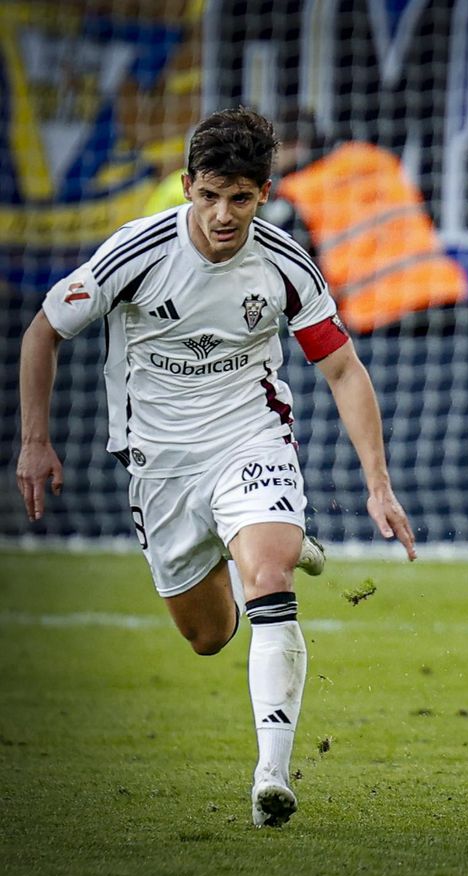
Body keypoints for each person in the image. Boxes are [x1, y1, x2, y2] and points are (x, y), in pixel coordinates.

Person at [15, 107, 417, 828]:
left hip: (249, 439)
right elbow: (43, 332)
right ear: (186, 187)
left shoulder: (286, 264)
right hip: (160, 464)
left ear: (264, 193)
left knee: (270, 579)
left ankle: (272, 776)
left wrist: (378, 484)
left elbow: (343, 370)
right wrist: (35, 441)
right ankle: (260, 540)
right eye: (208, 195)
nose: (223, 214)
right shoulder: (137, 252)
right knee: (206, 637)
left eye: (239, 197)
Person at [262, 109, 468, 333]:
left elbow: (298, 270)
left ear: (296, 146)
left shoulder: (296, 191)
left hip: (378, 311)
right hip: (440, 291)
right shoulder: (375, 157)